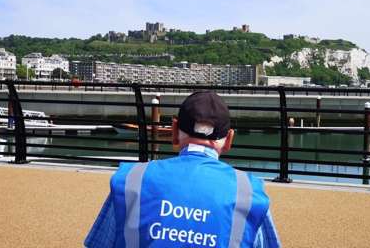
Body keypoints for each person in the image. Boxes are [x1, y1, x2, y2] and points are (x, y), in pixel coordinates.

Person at [85, 91, 280, 248]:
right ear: (229, 139)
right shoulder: (249, 193)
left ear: (174, 131)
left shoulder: (131, 180)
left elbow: (99, 243)